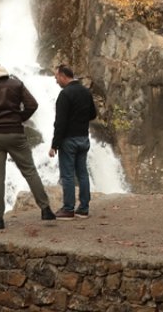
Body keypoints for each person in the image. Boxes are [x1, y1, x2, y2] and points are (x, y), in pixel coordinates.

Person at [0, 58, 56, 229]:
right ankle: (46, 210)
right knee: (30, 171)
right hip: (16, 133)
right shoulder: (16, 84)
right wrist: (19, 119)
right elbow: (32, 104)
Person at [48, 64, 98, 220]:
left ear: (63, 76)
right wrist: (80, 120)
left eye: (57, 77)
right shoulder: (85, 92)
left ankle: (68, 209)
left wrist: (54, 145)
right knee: (82, 173)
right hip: (83, 138)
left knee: (68, 175)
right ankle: (83, 208)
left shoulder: (65, 94)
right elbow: (93, 114)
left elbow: (60, 122)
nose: (56, 81)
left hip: (68, 140)